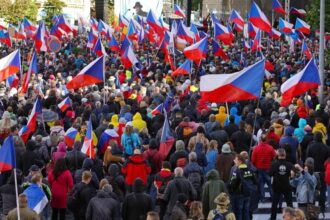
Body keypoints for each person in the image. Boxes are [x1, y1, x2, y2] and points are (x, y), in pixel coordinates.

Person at [306, 131, 330, 213]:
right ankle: (322, 209)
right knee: (322, 191)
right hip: (323, 172)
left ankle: (312, 211)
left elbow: (307, 159)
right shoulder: (327, 147)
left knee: (311, 191)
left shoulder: (310, 147)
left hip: (312, 172)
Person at [228, 154, 257, 220]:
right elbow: (255, 181)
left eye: (235, 160)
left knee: (239, 212)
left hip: (239, 194)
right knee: (246, 211)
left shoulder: (237, 170)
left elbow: (232, 184)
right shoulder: (249, 169)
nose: (234, 161)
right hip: (248, 193)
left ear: (240, 161)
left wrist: (231, 191)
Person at [269, 148, 293, 220]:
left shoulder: (274, 164)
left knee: (274, 204)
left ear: (277, 155)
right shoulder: (289, 164)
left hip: (277, 186)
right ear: (285, 155)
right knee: (289, 204)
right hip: (287, 185)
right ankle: (292, 218)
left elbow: (270, 174)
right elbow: (293, 174)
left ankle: (273, 218)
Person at [251, 133, 276, 201]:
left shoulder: (256, 148)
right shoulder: (270, 148)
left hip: (259, 168)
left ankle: (263, 197)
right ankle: (272, 196)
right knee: (269, 182)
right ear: (266, 140)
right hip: (268, 167)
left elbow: (253, 160)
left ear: (260, 140)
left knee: (261, 183)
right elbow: (274, 157)